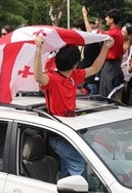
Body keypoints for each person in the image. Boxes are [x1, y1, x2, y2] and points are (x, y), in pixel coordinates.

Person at [34, 33, 114, 177]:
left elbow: (95, 68)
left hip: (72, 131)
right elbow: (38, 76)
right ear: (74, 64)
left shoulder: (73, 76)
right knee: (80, 165)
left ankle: (66, 192)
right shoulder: (52, 79)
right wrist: (38, 49)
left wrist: (106, 48)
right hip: (58, 134)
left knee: (67, 168)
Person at [99, 9, 125, 99]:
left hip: (110, 68)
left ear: (111, 19)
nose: (105, 19)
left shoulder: (111, 34)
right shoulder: (120, 34)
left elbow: (92, 33)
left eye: (107, 17)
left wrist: (85, 16)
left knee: (108, 98)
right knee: (116, 98)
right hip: (116, 67)